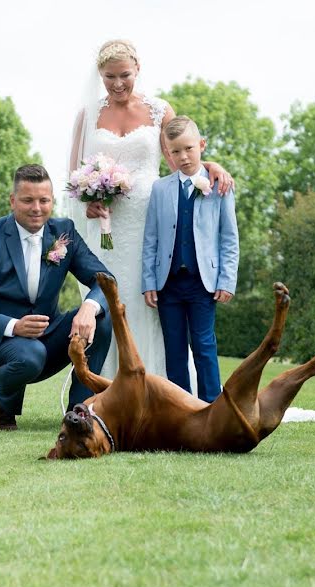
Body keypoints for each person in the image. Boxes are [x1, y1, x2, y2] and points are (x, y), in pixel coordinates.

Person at [69, 39, 234, 382]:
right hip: (107, 230)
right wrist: (88, 201)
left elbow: (181, 155)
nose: (117, 84)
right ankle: (103, 386)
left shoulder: (159, 110)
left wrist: (212, 164)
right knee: (107, 297)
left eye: (124, 75)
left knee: (150, 301)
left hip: (153, 223)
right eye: (109, 77)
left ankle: (157, 387)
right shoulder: (88, 114)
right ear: (100, 75)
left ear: (137, 69)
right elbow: (73, 176)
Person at [0, 164, 113, 431]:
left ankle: (80, 410)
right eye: (28, 200)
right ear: (13, 200)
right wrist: (13, 326)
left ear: (52, 200)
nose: (37, 208)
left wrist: (89, 305)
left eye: (44, 200)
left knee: (101, 317)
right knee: (30, 354)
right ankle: (2, 405)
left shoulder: (64, 232)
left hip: (46, 339)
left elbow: (105, 280)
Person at [142, 116, 239, 401]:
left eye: (189, 149)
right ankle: (181, 408)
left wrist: (227, 280)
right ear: (168, 154)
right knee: (173, 348)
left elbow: (228, 238)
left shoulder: (219, 185)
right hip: (167, 283)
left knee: (204, 345)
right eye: (176, 151)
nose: (183, 157)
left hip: (203, 282)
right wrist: (149, 280)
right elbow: (151, 238)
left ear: (201, 145)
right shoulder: (160, 189)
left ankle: (211, 406)